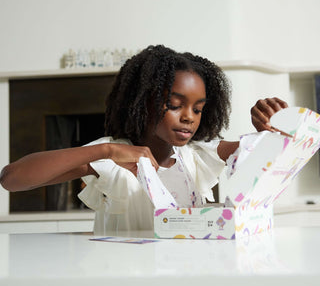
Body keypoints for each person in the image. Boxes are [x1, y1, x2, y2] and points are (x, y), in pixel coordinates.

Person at [0, 45, 288, 234]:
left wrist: (269, 127)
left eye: (198, 109)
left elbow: (267, 150)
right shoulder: (114, 158)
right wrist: (107, 150)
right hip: (126, 280)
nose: (189, 117)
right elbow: (12, 178)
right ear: (141, 102)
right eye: (175, 105)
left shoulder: (196, 155)